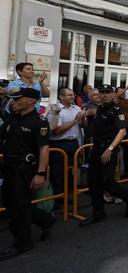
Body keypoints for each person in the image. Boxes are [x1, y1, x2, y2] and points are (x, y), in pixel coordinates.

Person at [0, 88, 57, 261]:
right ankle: (45, 220)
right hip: (9, 167)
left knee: (20, 205)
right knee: (11, 202)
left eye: (18, 99)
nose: (14, 102)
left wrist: (40, 173)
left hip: (25, 169)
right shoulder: (13, 119)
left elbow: (44, 148)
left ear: (31, 101)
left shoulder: (39, 122)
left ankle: (23, 242)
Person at [78, 85, 128, 227]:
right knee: (93, 182)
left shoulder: (117, 110)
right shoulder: (99, 109)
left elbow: (122, 131)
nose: (103, 95)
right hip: (96, 149)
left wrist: (110, 149)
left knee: (107, 181)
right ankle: (98, 213)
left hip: (109, 149)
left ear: (112, 95)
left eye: (107, 93)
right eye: (101, 93)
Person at [47, 88, 85, 199]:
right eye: (69, 95)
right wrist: (75, 120)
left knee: (71, 172)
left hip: (74, 143)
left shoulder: (77, 108)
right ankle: (58, 198)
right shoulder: (56, 109)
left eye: (73, 95)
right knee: (58, 173)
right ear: (61, 97)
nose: (72, 97)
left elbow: (83, 126)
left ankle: (68, 196)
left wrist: (82, 119)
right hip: (59, 144)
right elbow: (56, 130)